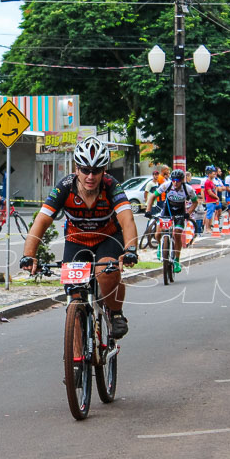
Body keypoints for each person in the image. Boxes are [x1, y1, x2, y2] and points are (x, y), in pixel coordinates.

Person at [19, 137, 138, 339]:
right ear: (76, 169)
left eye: (96, 171)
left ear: (104, 171)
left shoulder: (111, 186)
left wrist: (130, 250)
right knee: (74, 295)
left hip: (107, 237)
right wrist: (29, 255)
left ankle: (116, 313)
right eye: (85, 170)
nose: (90, 176)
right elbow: (41, 221)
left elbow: (127, 220)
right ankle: (76, 360)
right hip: (77, 240)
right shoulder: (64, 187)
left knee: (106, 271)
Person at [153, 169, 198, 274]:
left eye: (177, 180)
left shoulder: (188, 189)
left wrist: (188, 212)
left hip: (180, 212)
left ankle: (177, 261)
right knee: (159, 232)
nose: (175, 182)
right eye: (173, 180)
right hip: (167, 210)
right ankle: (160, 245)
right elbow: (152, 196)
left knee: (177, 234)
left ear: (182, 180)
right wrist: (148, 210)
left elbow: (195, 202)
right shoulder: (166, 185)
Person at [201, 166, 220, 235]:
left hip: (213, 200)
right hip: (210, 201)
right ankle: (207, 228)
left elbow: (214, 190)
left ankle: (209, 227)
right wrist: (217, 197)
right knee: (208, 215)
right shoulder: (207, 182)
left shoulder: (212, 182)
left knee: (211, 214)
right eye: (213, 173)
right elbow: (210, 192)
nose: (214, 174)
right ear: (209, 174)